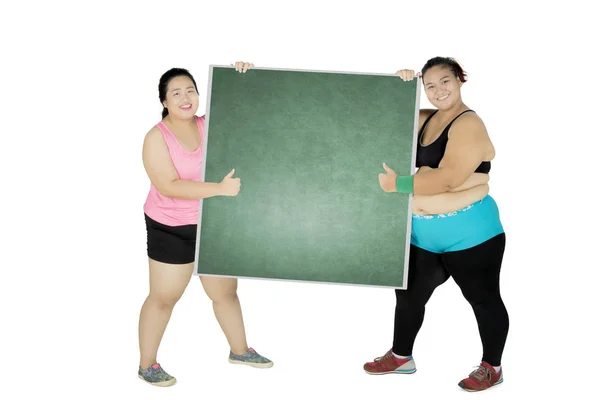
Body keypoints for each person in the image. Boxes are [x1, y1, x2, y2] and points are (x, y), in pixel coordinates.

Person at [365, 56, 509, 393]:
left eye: (445, 81)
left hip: (471, 234)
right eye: (429, 85)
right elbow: (384, 117)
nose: (438, 90)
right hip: (424, 233)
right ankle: (401, 357)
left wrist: (399, 186)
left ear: (460, 79)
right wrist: (399, 86)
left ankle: (492, 367)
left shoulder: (469, 124)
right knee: (409, 297)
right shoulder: (429, 119)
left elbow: (449, 178)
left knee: (483, 299)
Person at [138, 61, 272, 387]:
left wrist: (241, 76)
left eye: (191, 91)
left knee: (225, 292)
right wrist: (219, 190)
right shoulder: (156, 137)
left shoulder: (208, 124)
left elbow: (247, 111)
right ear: (164, 102)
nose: (185, 97)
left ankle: (240, 351)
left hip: (213, 223)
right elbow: (169, 185)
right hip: (171, 226)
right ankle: (147, 365)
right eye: (176, 93)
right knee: (164, 297)